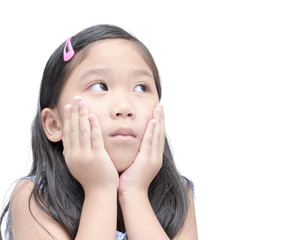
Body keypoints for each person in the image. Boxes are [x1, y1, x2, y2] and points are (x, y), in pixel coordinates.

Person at [0, 24, 197, 240]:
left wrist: (134, 193)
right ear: (54, 124)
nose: (124, 107)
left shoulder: (177, 195)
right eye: (99, 86)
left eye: (141, 87)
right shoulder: (34, 198)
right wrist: (99, 189)